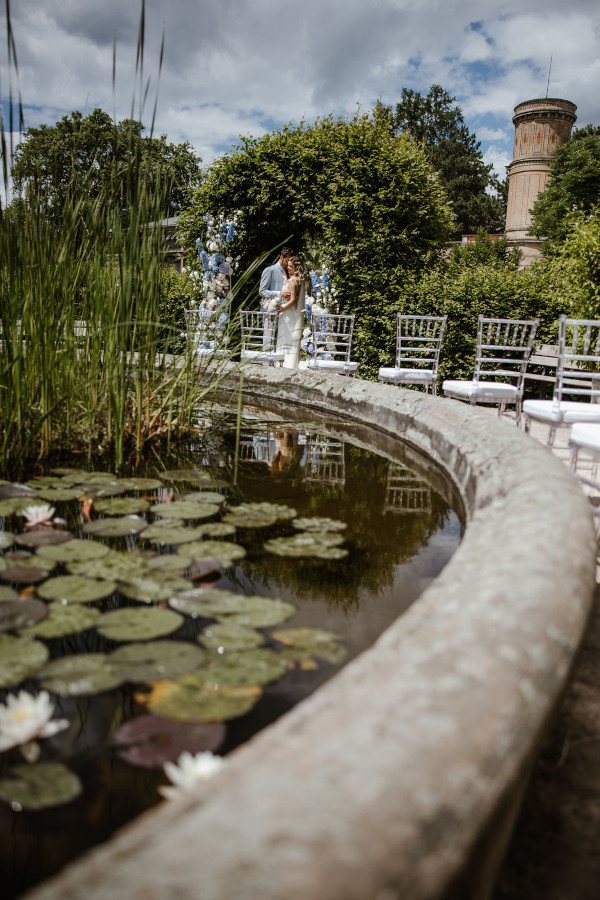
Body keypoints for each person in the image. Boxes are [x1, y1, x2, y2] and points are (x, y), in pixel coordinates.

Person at [276, 255, 306, 369]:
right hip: (289, 313)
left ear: (296, 267)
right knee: (286, 339)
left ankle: (285, 364)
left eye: (290, 266)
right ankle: (286, 363)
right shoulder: (298, 279)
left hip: (288, 313)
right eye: (288, 266)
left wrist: (281, 309)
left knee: (285, 339)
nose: (288, 268)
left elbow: (293, 300)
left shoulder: (293, 280)